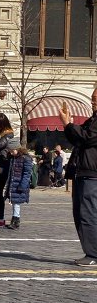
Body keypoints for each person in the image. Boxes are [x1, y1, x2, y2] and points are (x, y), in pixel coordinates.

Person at [64, 92, 97, 264]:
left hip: (92, 174)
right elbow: (77, 139)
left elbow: (86, 138)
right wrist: (69, 126)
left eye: (96, 99)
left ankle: (93, 254)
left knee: (88, 213)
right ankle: (90, 252)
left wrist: (69, 124)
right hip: (83, 172)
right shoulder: (91, 120)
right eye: (92, 99)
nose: (93, 103)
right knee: (80, 213)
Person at [5, 147, 33, 230]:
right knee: (14, 202)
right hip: (14, 183)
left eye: (12, 150)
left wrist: (23, 185)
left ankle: (16, 221)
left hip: (19, 184)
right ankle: (14, 220)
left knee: (16, 203)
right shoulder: (14, 158)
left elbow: (27, 174)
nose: (11, 152)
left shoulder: (26, 159)